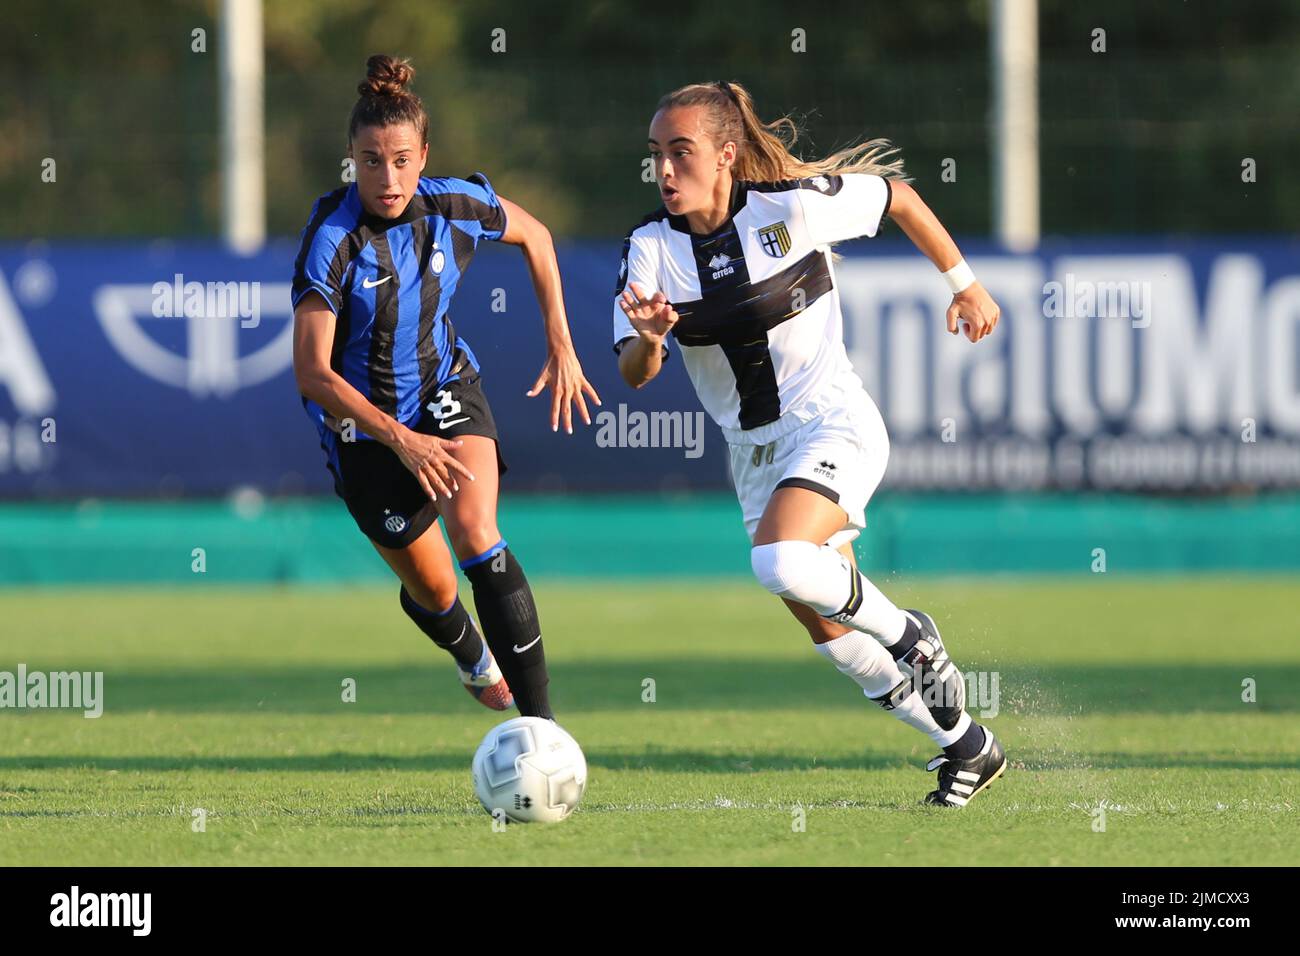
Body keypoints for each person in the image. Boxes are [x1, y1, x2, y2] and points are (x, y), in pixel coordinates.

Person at [613, 80, 1004, 807]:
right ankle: (968, 746)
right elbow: (633, 374)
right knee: (836, 639)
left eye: (681, 152)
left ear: (726, 154)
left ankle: (912, 633)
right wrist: (649, 340)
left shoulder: (791, 205)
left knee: (781, 560)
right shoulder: (649, 249)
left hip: (832, 423)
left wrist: (966, 285)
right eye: (656, 155)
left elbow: (902, 198)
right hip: (752, 455)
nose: (664, 171)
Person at [292, 55, 599, 720]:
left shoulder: (456, 205)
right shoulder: (332, 238)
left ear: (424, 154)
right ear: (352, 159)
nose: (388, 176)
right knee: (433, 591)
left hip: (443, 387)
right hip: (365, 429)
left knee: (478, 536)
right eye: (371, 160)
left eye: (402, 159)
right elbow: (312, 373)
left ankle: (541, 729)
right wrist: (401, 441)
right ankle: (471, 656)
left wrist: (561, 340)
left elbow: (537, 237)